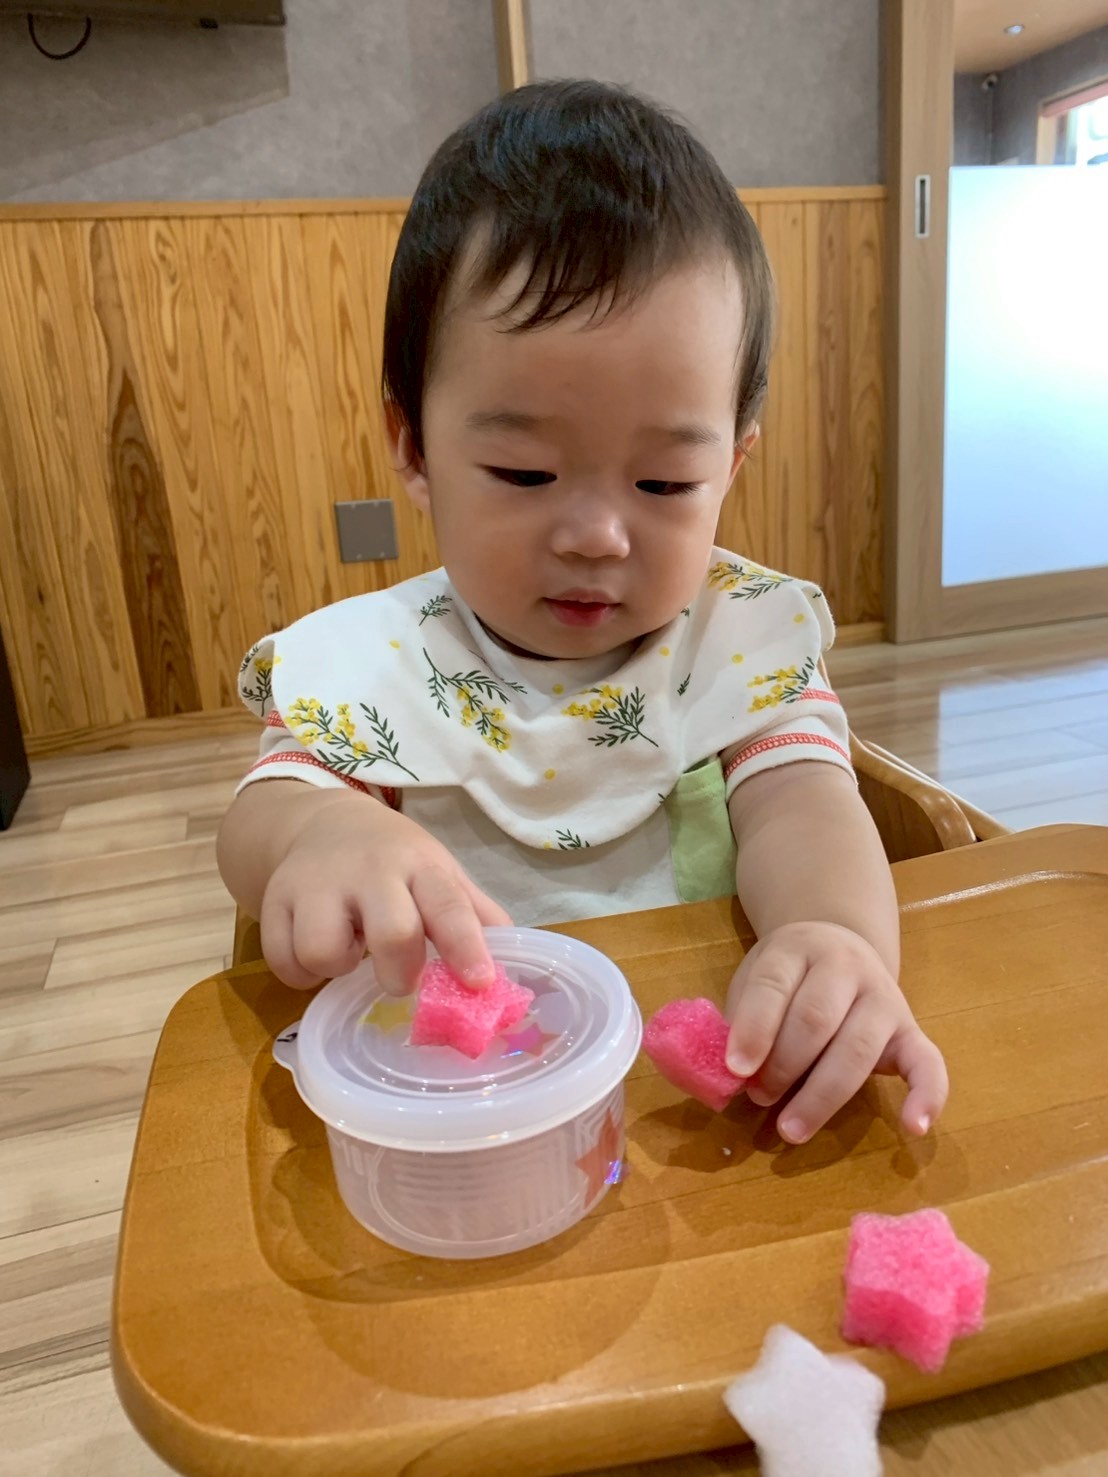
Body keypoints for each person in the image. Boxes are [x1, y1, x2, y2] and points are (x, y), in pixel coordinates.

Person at [217, 80, 947, 1146]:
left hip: (699, 1107)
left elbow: (804, 804)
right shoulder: (373, 662)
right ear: (414, 446)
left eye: (664, 484)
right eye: (524, 472)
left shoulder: (733, 639)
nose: (598, 535)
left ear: (732, 466)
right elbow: (260, 820)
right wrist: (321, 831)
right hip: (450, 1114)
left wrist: (836, 938)